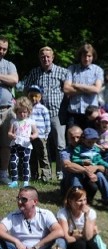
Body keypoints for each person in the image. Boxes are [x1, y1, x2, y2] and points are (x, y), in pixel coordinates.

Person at [22, 46, 67, 181]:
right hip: (38, 116)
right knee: (41, 146)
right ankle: (42, 174)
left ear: (52, 57)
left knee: (60, 145)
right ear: (39, 58)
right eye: (42, 57)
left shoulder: (62, 72)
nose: (45, 59)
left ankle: (60, 172)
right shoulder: (34, 73)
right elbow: (25, 90)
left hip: (57, 114)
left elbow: (69, 90)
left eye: (48, 56)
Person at [62, 44, 103, 128]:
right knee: (72, 139)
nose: (86, 58)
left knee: (89, 140)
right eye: (84, 56)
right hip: (73, 113)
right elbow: (66, 89)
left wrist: (76, 85)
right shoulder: (72, 69)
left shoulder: (98, 70)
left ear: (93, 56)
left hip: (91, 114)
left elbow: (96, 90)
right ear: (80, 56)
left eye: (89, 56)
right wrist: (89, 88)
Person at [7, 97, 38, 188]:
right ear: (16, 111)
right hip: (15, 144)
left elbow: (36, 132)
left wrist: (33, 136)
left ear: (29, 112)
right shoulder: (13, 121)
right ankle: (14, 181)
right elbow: (9, 132)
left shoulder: (31, 122)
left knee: (25, 163)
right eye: (20, 112)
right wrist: (11, 135)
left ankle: (25, 181)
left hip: (26, 145)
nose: (22, 114)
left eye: (24, 112)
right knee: (13, 162)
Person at [0, 36, 17, 185]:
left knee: (6, 144)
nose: (2, 51)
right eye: (0, 48)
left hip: (6, 110)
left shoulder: (9, 65)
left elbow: (14, 80)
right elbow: (9, 80)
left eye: (4, 49)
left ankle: (3, 175)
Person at [26, 86, 51, 183]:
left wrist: (46, 134)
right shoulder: (27, 109)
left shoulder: (43, 109)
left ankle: (46, 176)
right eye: (31, 96)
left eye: (36, 96)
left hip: (40, 136)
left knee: (43, 156)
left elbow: (47, 123)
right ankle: (34, 175)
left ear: (40, 97)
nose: (33, 98)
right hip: (29, 136)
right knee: (32, 156)